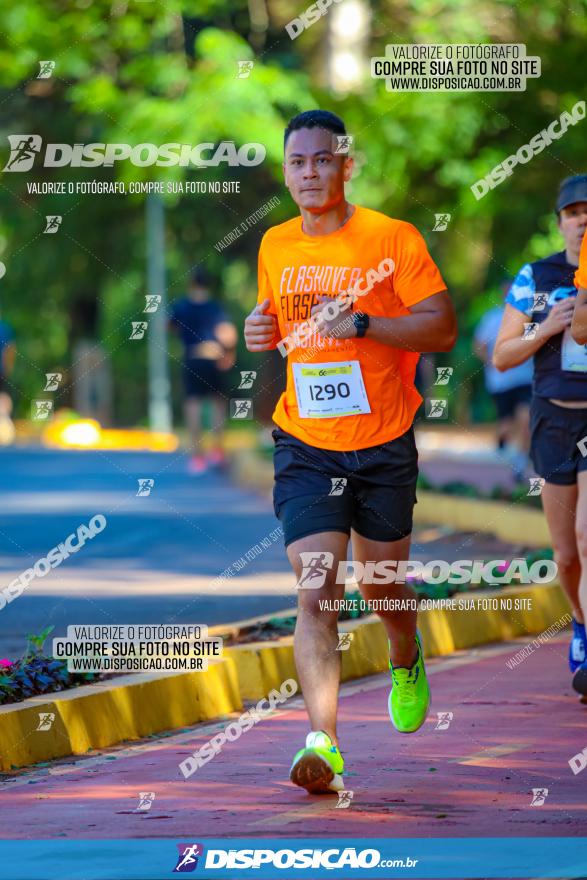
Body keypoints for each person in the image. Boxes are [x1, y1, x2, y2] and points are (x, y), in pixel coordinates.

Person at [244, 109, 456, 794]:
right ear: (286, 171)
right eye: (297, 162)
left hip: (383, 440)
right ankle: (323, 743)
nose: (309, 173)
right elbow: (279, 323)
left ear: (345, 165)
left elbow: (442, 327)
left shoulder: (389, 238)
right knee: (315, 592)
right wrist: (258, 328)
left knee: (383, 588)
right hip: (306, 441)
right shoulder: (274, 244)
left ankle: (404, 649)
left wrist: (365, 321)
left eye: (321, 160)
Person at [493, 174, 587, 697]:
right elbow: (503, 355)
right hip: (552, 419)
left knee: (586, 539)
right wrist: (546, 326)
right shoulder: (537, 276)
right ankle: (578, 619)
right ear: (559, 222)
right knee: (565, 555)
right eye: (573, 211)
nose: (583, 219)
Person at [169, 267, 237, 474]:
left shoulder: (181, 306)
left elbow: (169, 326)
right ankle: (217, 453)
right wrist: (230, 354)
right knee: (217, 405)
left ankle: (197, 458)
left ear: (191, 283)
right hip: (213, 358)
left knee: (193, 406)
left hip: (193, 358)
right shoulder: (215, 307)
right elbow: (228, 334)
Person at [473, 281, 533, 480]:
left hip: (525, 378)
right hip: (500, 380)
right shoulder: (491, 318)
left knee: (526, 419)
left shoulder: (530, 316)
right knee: (506, 424)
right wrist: (491, 361)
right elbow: (478, 345)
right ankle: (502, 444)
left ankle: (520, 463)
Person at [0, 312, 16, 445]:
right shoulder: (5, 328)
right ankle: (4, 423)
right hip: (1, 370)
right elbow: (9, 351)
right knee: (3, 396)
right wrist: (8, 369)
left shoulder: (5, 328)